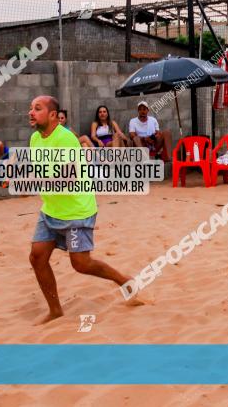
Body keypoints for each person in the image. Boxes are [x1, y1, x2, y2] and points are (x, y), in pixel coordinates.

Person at [27, 95, 142, 324]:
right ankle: (55, 310)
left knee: (81, 264)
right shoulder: (35, 139)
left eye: (37, 109)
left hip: (77, 211)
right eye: (31, 108)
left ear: (52, 115)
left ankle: (124, 280)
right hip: (51, 209)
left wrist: (33, 179)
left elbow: (67, 178)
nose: (31, 112)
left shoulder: (66, 139)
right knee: (37, 257)